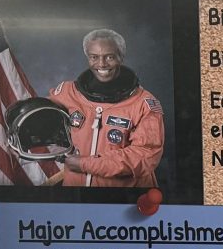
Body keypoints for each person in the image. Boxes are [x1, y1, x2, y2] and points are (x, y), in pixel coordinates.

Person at [48, 28, 164, 187]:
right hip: (75, 196)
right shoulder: (68, 93)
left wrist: (85, 164)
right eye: (94, 57)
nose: (101, 64)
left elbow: (144, 156)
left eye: (109, 57)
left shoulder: (143, 103)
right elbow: (41, 118)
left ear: (121, 57)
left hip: (123, 199)